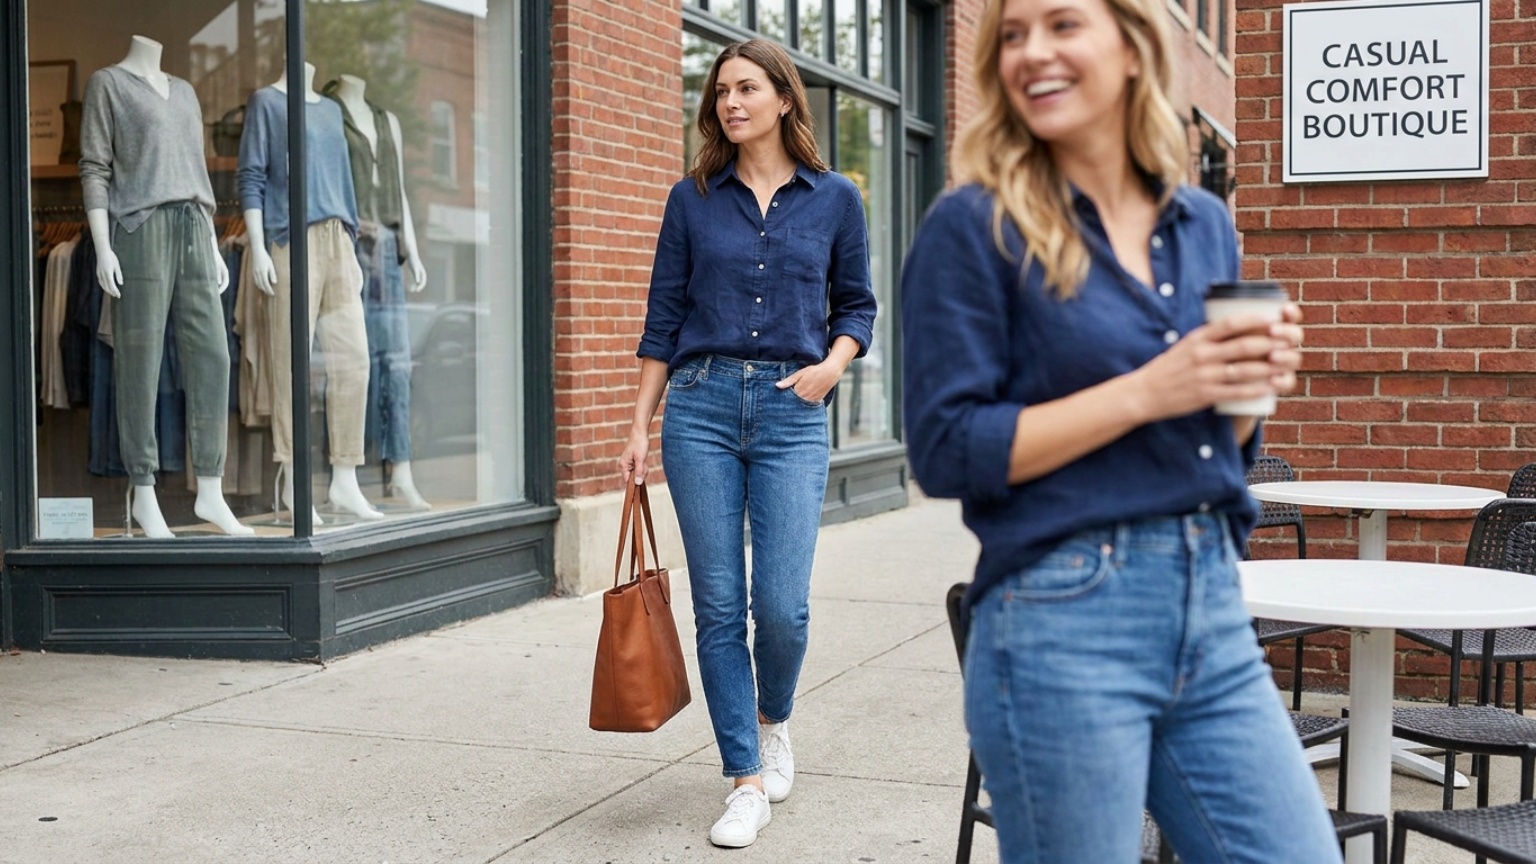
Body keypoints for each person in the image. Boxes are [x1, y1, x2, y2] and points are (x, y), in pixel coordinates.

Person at [899, 0, 1341, 861]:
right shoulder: (976, 225)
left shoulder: (1202, 223)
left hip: (1210, 601)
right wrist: (1150, 388)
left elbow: (1219, 445)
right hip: (1062, 617)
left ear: (1134, 49)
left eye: (1063, 25)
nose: (1033, 53)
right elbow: (947, 449)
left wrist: (1247, 386)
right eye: (1014, 36)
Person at [618, 38, 877, 850]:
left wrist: (831, 368)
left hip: (792, 410)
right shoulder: (691, 199)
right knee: (720, 605)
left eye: (746, 89)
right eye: (720, 92)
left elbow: (858, 308)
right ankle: (743, 778)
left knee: (784, 608)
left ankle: (775, 720)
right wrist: (637, 426)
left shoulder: (835, 199)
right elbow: (663, 319)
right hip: (698, 408)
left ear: (784, 99)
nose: (730, 103)